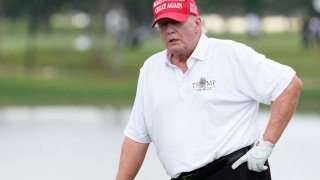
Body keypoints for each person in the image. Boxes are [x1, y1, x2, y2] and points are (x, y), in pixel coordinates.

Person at [116, 0, 302, 179]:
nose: (169, 30)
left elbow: (289, 85)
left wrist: (266, 144)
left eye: (176, 22)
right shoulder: (151, 69)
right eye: (163, 25)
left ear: (197, 23)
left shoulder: (229, 54)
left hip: (235, 172)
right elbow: (136, 137)